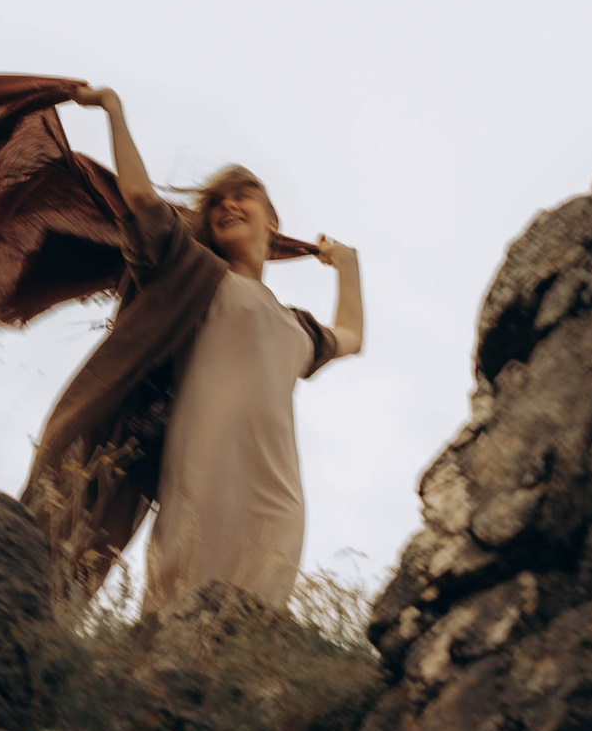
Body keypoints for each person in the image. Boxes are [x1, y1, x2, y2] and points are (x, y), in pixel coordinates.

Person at [29, 86, 362, 614]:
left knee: (250, 626)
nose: (228, 204)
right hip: (199, 479)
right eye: (218, 202)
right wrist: (114, 111)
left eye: (243, 195)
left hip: (277, 498)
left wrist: (348, 266)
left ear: (272, 223)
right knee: (174, 610)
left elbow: (351, 337)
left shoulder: (296, 326)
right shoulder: (194, 273)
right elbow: (141, 200)